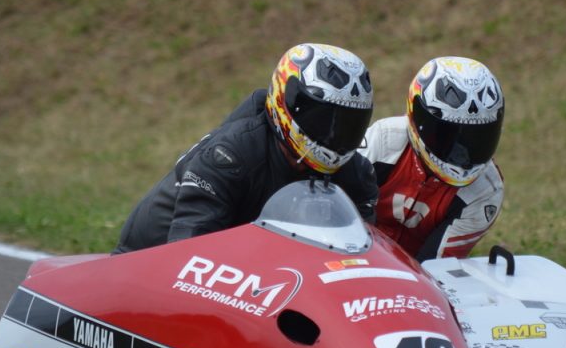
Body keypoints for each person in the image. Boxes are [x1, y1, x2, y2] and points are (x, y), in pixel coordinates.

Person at [114, 43, 378, 254]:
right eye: (323, 120)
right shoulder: (229, 157)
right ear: (286, 103)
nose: (335, 137)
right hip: (147, 266)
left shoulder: (357, 174)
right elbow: (187, 254)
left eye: (348, 125)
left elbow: (360, 258)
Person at [359, 56, 504, 261]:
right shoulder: (383, 141)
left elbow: (436, 270)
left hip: (417, 278)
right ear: (417, 117)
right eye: (447, 135)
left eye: (477, 137)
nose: (461, 153)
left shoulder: (486, 190)